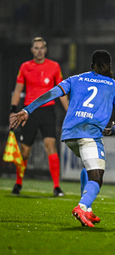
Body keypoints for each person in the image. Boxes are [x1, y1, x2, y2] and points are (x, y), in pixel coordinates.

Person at [10, 50, 115, 227]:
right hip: (90, 134)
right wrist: (114, 130)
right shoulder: (114, 86)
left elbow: (51, 94)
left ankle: (88, 211)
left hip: (70, 134)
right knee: (97, 176)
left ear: (92, 65)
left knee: (87, 165)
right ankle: (82, 206)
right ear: (110, 66)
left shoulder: (76, 79)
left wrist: (27, 110)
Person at [9, 37, 68, 196]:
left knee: (50, 145)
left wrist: (68, 110)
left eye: (42, 47)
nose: (39, 50)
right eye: (36, 48)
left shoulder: (54, 66)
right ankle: (18, 183)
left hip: (48, 111)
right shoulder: (25, 67)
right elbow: (18, 89)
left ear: (46, 49)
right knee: (25, 151)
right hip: (29, 112)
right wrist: (13, 111)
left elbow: (61, 90)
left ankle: (56, 187)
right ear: (32, 50)